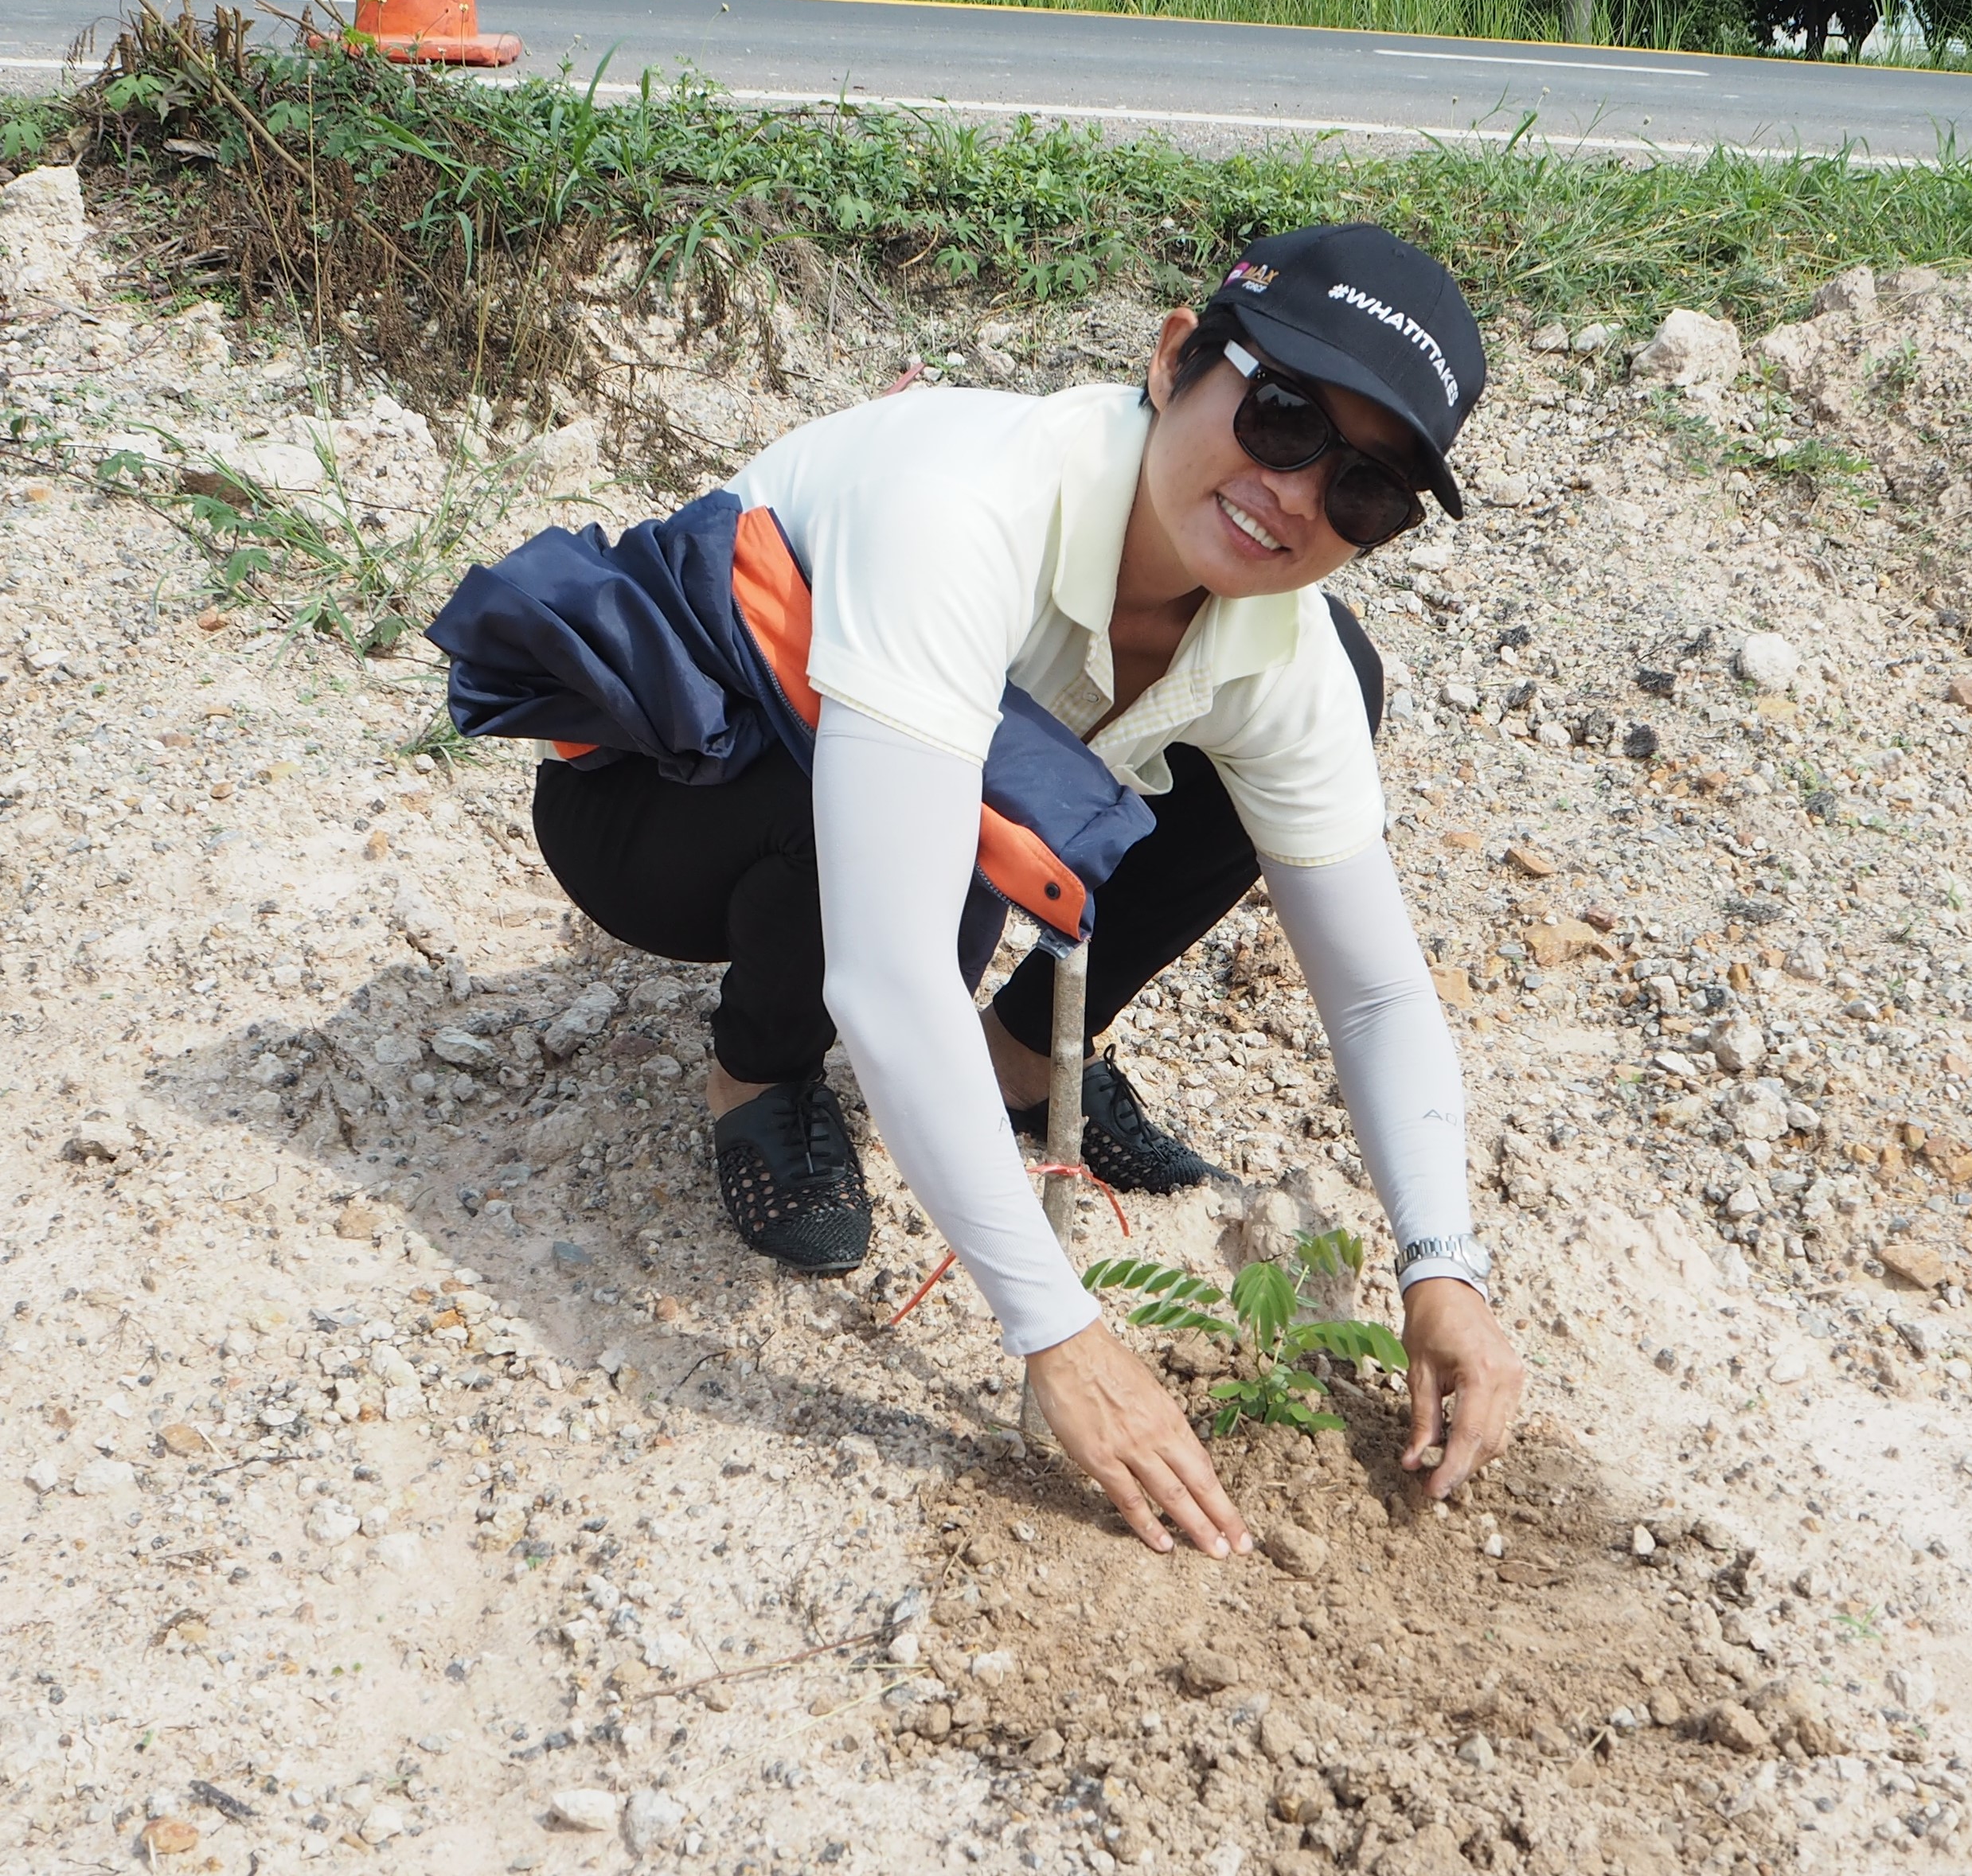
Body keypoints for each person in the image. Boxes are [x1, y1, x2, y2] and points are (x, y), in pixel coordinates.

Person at [529, 223, 1525, 1556]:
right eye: (1283, 419)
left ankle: (1022, 1058)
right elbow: (889, 977)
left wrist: (1443, 1267)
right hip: (662, 803)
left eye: (1365, 491)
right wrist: (1060, 1332)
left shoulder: (1278, 643)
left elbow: (1378, 994)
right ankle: (757, 1074)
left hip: (904, 778)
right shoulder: (964, 505)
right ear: (1176, 359)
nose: (1295, 498)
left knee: (1312, 711)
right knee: (921, 889)